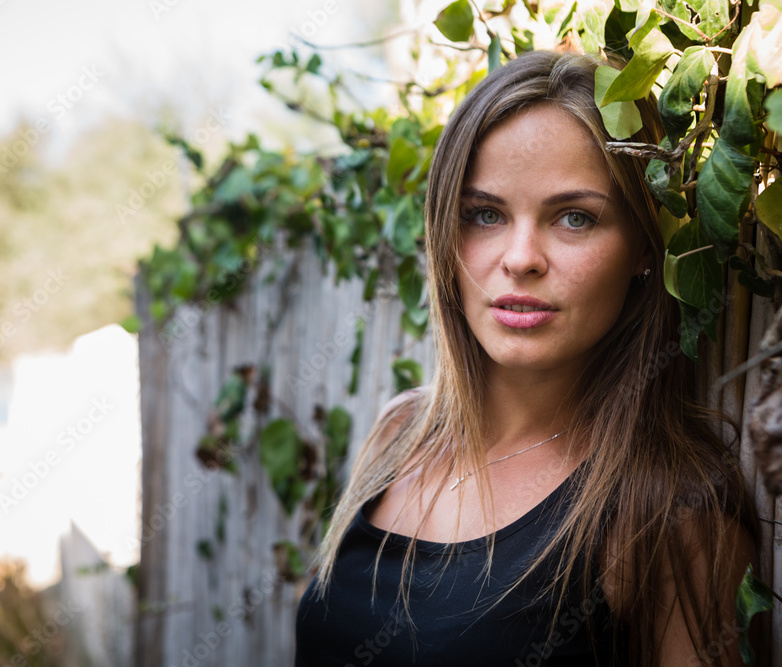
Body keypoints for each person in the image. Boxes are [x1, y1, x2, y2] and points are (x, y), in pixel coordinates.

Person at [294, 49, 758, 666]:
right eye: (484, 215)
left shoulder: (665, 513)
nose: (520, 258)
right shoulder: (399, 435)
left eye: (574, 218)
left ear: (644, 246)